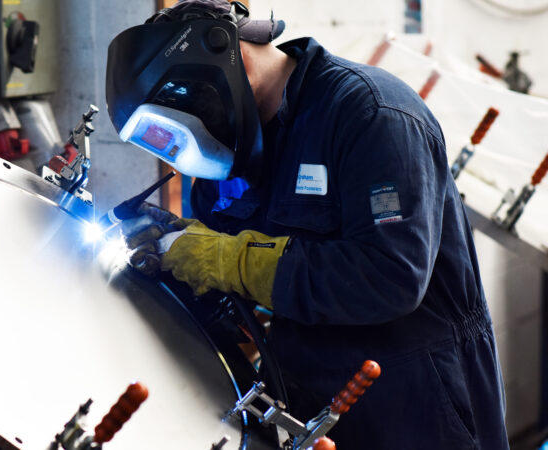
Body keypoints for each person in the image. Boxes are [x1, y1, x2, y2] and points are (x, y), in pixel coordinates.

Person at [105, 1, 509, 449]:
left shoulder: (372, 114)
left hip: (420, 409)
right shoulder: (229, 166)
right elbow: (240, 293)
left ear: (218, 62)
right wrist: (177, 253)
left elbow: (391, 276)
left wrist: (229, 260)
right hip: (315, 410)